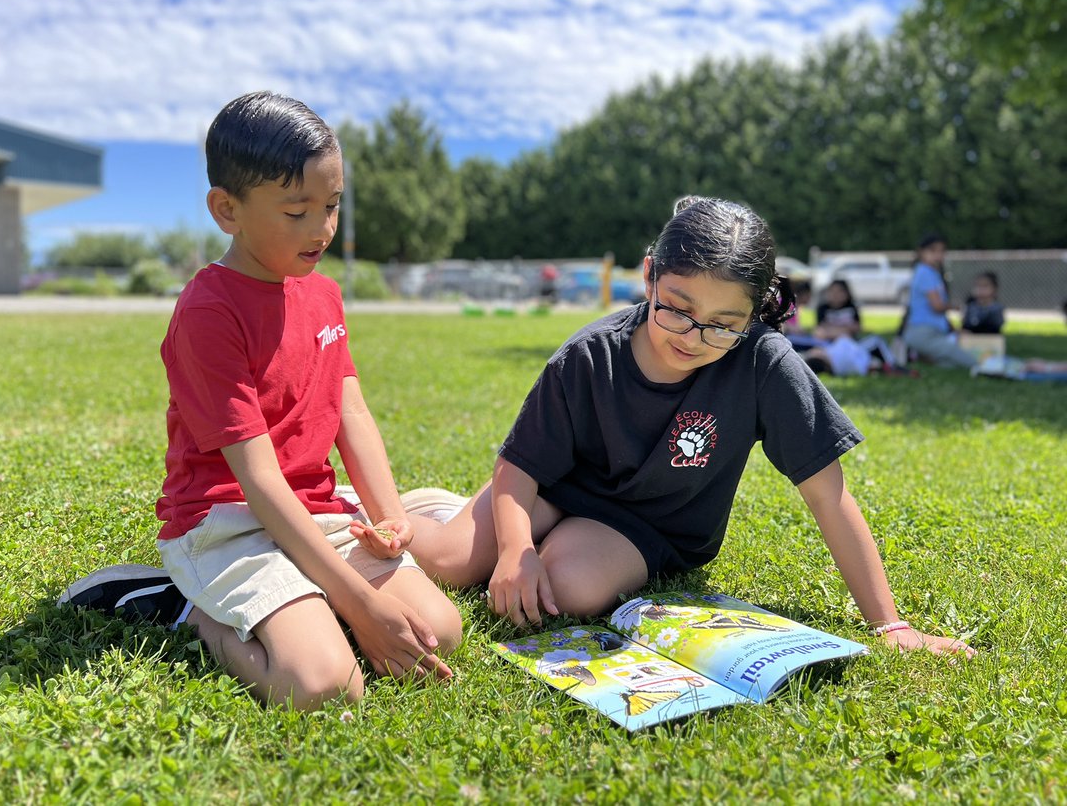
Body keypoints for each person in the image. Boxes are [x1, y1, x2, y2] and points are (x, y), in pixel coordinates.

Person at [407, 196, 974, 658]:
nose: (693, 337)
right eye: (676, 308)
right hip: (556, 487)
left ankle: (529, 533)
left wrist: (889, 626)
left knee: (567, 590)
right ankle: (419, 513)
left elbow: (830, 498)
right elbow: (521, 464)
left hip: (646, 526)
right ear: (650, 276)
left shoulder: (765, 363)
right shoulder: (588, 355)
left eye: (723, 325)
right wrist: (513, 550)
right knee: (449, 563)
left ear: (755, 315)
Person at [61, 92, 461, 710]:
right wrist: (358, 602)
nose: (322, 229)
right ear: (227, 209)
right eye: (297, 211)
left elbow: (350, 412)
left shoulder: (323, 295)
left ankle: (308, 597)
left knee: (442, 633)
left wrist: (390, 520)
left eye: (331, 207)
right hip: (230, 521)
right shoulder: (208, 312)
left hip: (316, 510)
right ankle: (186, 608)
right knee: (323, 686)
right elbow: (258, 481)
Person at [901, 233, 977, 368]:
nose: (938, 255)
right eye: (933, 250)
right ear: (921, 252)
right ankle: (985, 366)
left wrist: (954, 329)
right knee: (958, 353)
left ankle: (924, 358)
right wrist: (954, 307)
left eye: (942, 251)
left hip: (933, 331)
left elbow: (940, 313)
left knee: (950, 364)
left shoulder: (932, 273)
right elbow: (937, 306)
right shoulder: (925, 272)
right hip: (922, 332)